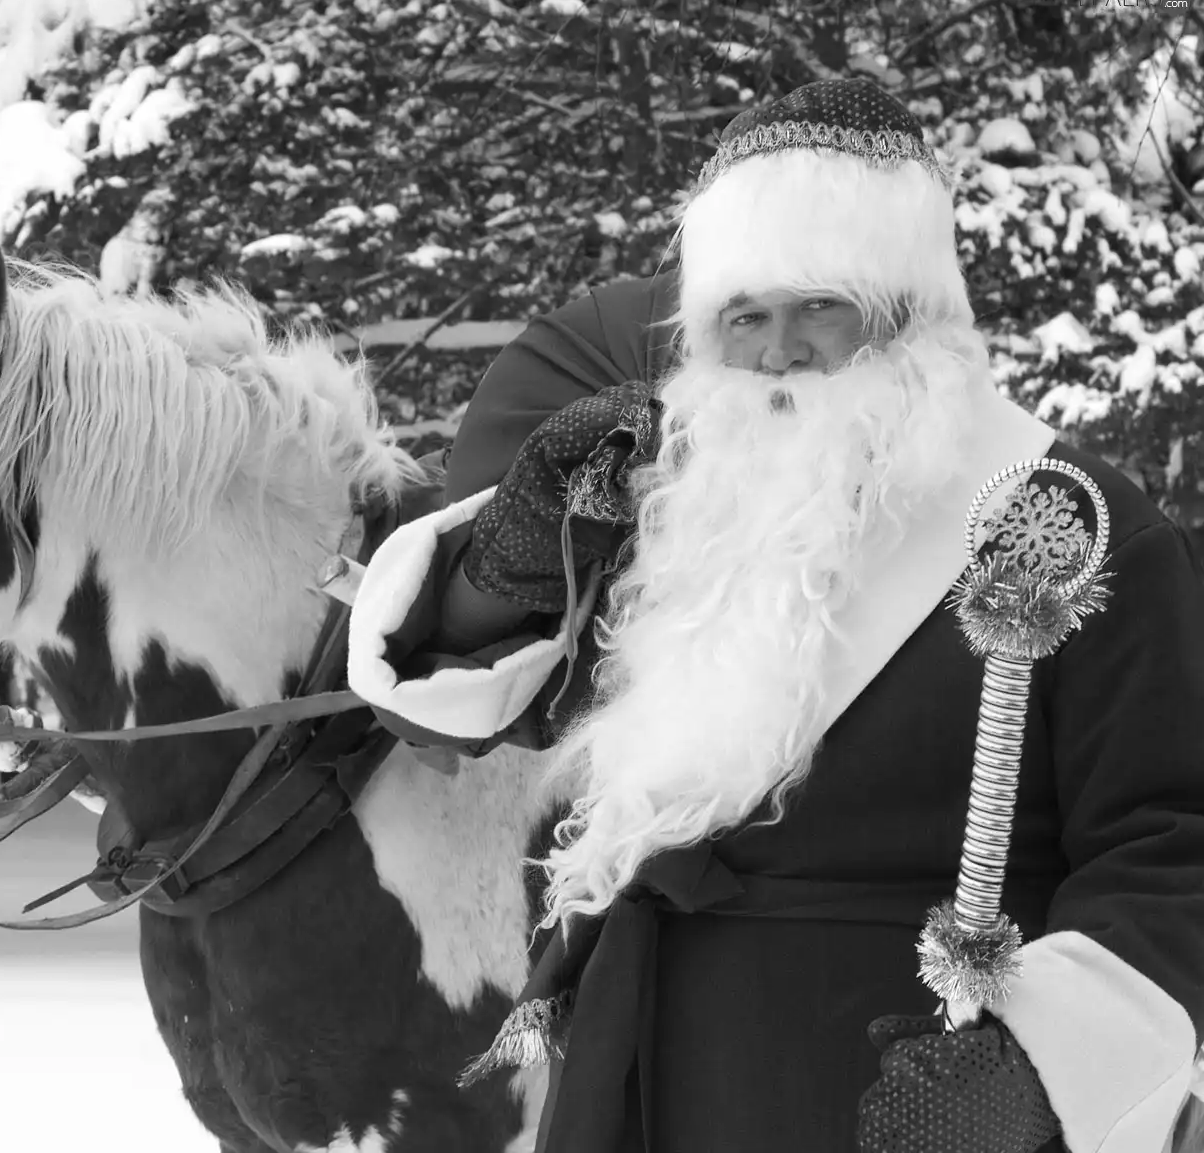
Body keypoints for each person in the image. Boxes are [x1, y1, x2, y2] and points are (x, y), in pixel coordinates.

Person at [345, 78, 1204, 1153]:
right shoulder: (678, 512)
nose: (778, 351)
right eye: (744, 316)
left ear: (907, 313)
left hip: (907, 1093)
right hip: (643, 1077)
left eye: (819, 306)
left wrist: (1032, 1070)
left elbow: (1174, 848)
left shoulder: (1067, 521)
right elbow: (453, 709)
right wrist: (511, 559)